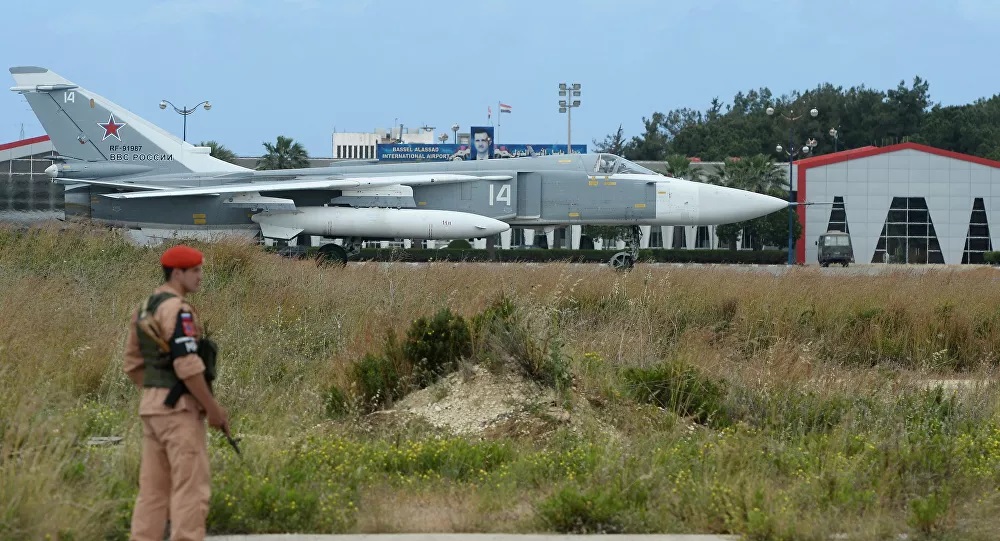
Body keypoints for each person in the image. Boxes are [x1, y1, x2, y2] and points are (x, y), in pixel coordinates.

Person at [123, 244, 229, 541]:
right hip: (180, 411)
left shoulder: (145, 307)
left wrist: (157, 390)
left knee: (153, 492)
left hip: (152, 408)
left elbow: (132, 364)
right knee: (190, 491)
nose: (200, 276)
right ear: (177, 273)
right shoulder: (178, 309)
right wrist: (212, 408)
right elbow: (186, 364)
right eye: (195, 271)